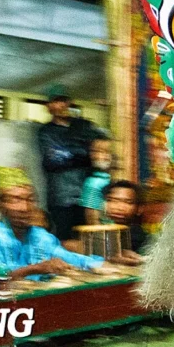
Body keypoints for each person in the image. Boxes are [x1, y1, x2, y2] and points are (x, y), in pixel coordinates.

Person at [0, 167, 103, 283]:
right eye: (15, 200)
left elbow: (69, 257)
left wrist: (99, 264)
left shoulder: (40, 236)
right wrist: (36, 268)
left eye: (30, 199)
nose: (24, 207)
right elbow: (0, 275)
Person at [35, 84, 101, 240]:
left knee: (90, 240)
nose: (62, 105)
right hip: (61, 199)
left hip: (87, 196)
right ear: (48, 106)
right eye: (57, 101)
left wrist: (70, 152)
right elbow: (53, 161)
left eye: (64, 101)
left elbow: (98, 151)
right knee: (65, 240)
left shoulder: (83, 126)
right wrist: (82, 153)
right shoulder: (46, 132)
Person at [100, 180, 147, 265]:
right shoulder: (105, 231)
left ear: (139, 208)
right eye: (112, 200)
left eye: (128, 202)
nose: (119, 207)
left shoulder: (137, 236)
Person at [79, 136, 112, 225]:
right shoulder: (93, 183)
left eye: (107, 152)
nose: (98, 156)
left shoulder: (111, 179)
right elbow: (92, 221)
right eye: (95, 151)